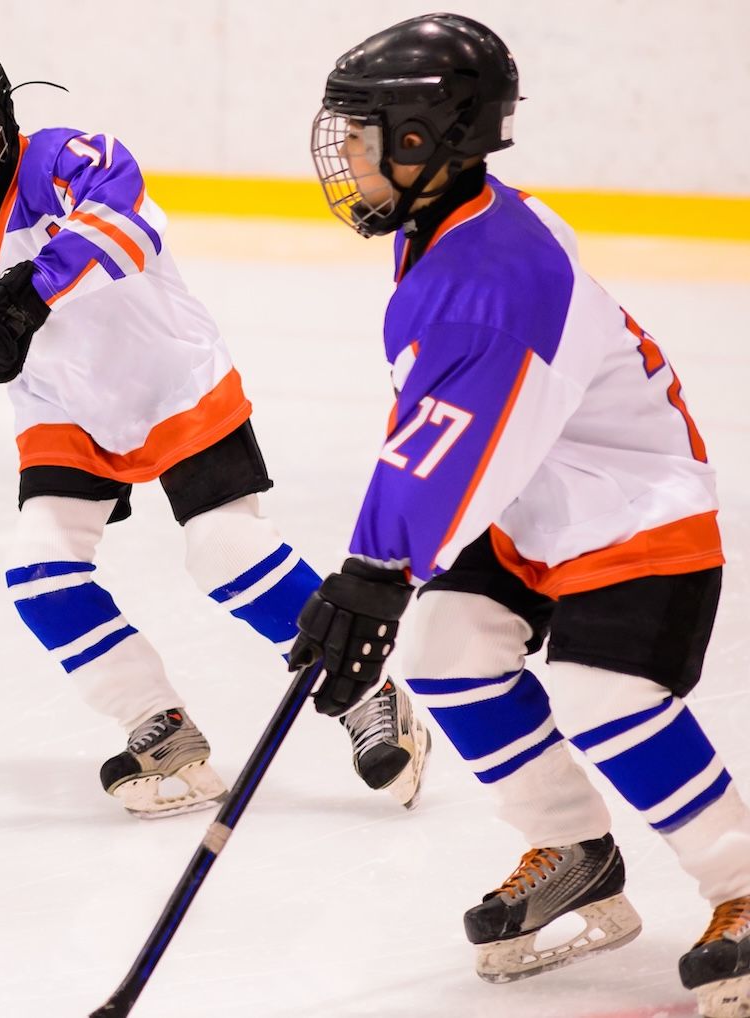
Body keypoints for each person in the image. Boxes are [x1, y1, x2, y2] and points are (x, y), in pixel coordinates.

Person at [0, 36, 428, 818]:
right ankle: (161, 732)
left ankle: (368, 696)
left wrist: (29, 293)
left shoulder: (70, 159)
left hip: (171, 382)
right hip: (63, 412)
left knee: (226, 553)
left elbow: (126, 226)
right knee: (40, 575)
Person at [297, 13, 748, 1010]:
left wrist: (374, 574)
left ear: (424, 144)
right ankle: (574, 848)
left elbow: (459, 440)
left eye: (366, 140)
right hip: (530, 494)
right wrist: (374, 573)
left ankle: (739, 884)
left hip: (632, 504)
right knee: (447, 656)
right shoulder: (449, 223)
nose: (347, 163)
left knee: (602, 696)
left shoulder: (493, 277)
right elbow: (435, 430)